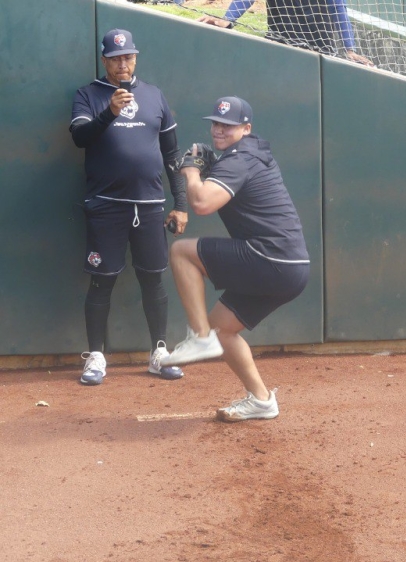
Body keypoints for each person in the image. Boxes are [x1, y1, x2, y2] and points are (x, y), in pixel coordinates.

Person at [161, 97, 311, 422]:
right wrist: (208, 161)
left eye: (227, 125)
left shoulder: (240, 158)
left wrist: (190, 172)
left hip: (271, 257)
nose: (219, 130)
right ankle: (261, 400)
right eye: (216, 123)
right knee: (222, 329)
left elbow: (201, 203)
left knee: (181, 252)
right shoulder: (247, 153)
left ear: (246, 128)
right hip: (289, 266)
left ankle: (198, 339)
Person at [69, 29, 187, 386]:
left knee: (153, 279)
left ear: (135, 58)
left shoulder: (154, 95)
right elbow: (80, 138)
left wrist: (180, 203)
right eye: (116, 58)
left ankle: (159, 354)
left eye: (129, 57)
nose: (123, 63)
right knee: (102, 282)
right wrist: (108, 113)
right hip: (106, 205)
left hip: (150, 205)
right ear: (105, 60)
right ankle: (96, 357)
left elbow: (172, 155)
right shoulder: (87, 95)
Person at [197, 0, 374, 67]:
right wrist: (227, 19)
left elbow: (338, 9)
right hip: (278, 48)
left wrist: (349, 49)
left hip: (317, 54)